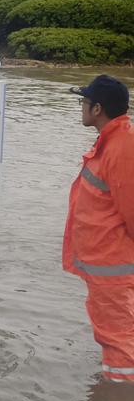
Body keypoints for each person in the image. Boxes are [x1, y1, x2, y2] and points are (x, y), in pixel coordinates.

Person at [63, 74, 134, 384]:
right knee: (117, 335)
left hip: (113, 267)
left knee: (118, 342)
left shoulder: (122, 149)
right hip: (107, 264)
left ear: (97, 110)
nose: (81, 107)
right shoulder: (113, 142)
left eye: (84, 102)